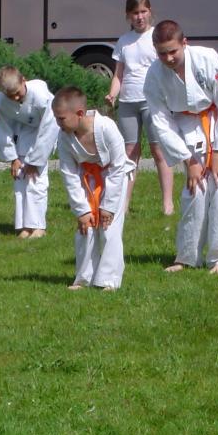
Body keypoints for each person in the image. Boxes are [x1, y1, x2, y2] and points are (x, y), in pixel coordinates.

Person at [143, 20, 218, 275]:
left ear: (184, 42)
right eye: (162, 53)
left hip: (217, 120)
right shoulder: (154, 75)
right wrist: (189, 159)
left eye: (173, 51)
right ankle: (188, 256)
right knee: (194, 190)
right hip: (186, 127)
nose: (168, 58)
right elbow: (160, 120)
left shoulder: (207, 58)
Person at [52, 87, 134, 290]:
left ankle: (109, 280)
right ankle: (83, 278)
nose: (58, 123)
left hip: (114, 178)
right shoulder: (64, 137)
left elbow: (118, 166)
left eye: (61, 119)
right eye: (56, 118)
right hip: (87, 180)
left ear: (80, 113)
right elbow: (69, 174)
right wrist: (81, 210)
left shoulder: (106, 127)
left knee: (109, 227)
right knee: (86, 227)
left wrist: (108, 206)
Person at [105, 0, 174, 216]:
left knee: (158, 151)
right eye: (135, 13)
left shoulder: (157, 37)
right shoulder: (123, 41)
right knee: (129, 153)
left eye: (143, 11)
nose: (140, 17)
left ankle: (167, 204)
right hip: (128, 102)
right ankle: (123, 205)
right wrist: (112, 94)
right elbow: (119, 75)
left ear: (150, 12)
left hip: (153, 101)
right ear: (128, 15)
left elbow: (168, 68)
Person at [0, 65, 60, 239]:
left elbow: (50, 127)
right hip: (23, 132)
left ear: (24, 80)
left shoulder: (40, 95)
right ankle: (24, 225)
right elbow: (3, 129)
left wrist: (36, 160)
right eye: (10, 95)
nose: (15, 98)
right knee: (20, 178)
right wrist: (13, 158)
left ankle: (38, 226)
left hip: (44, 132)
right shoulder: (0, 102)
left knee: (36, 179)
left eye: (17, 93)